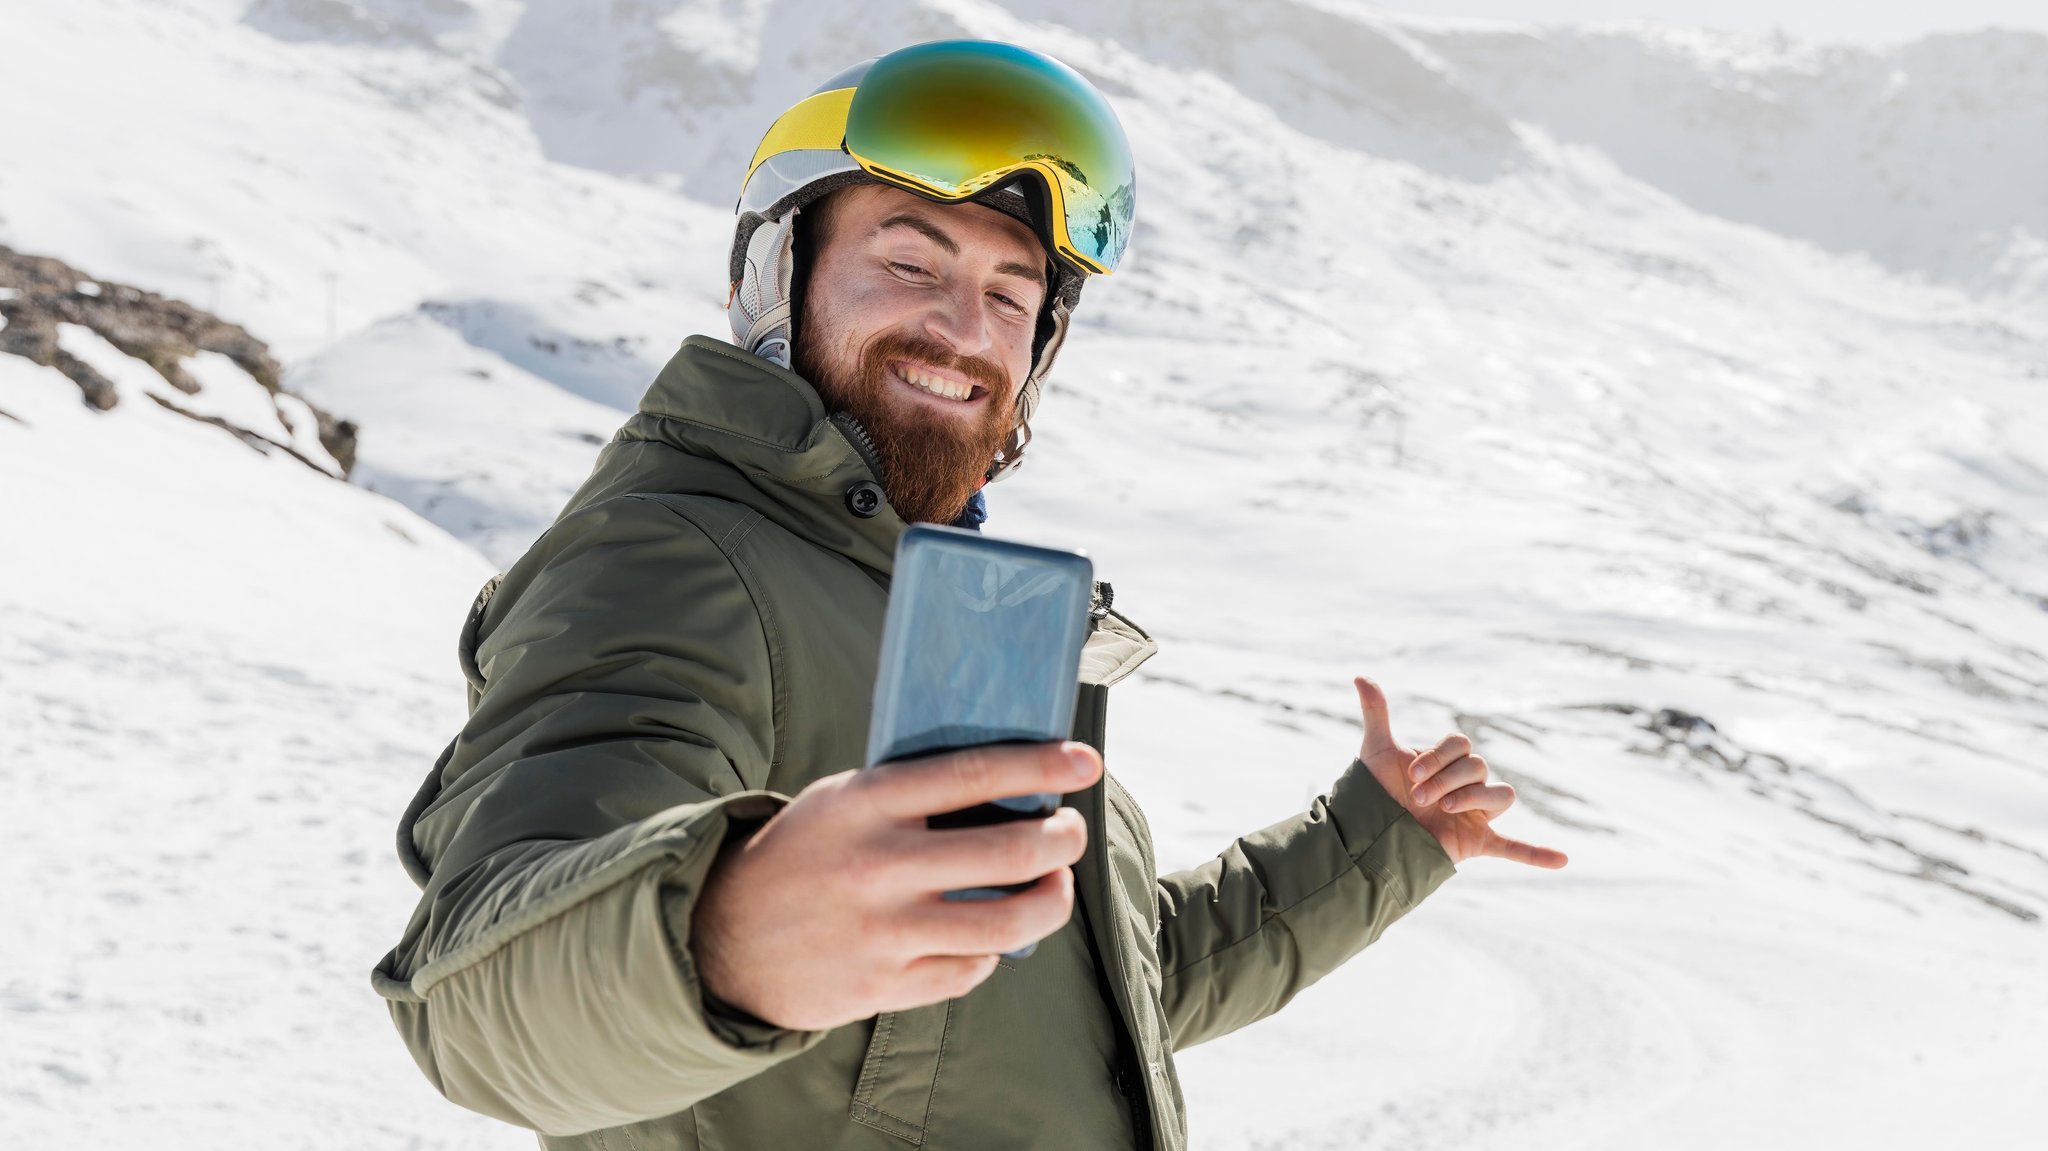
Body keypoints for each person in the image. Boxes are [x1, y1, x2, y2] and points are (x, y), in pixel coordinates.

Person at [372, 39, 1567, 1151]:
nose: (962, 330)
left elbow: (1098, 982)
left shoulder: (937, 604)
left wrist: (1382, 836)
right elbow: (475, 988)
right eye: (907, 262)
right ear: (775, 280)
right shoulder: (674, 554)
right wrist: (722, 936)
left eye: (1010, 296)